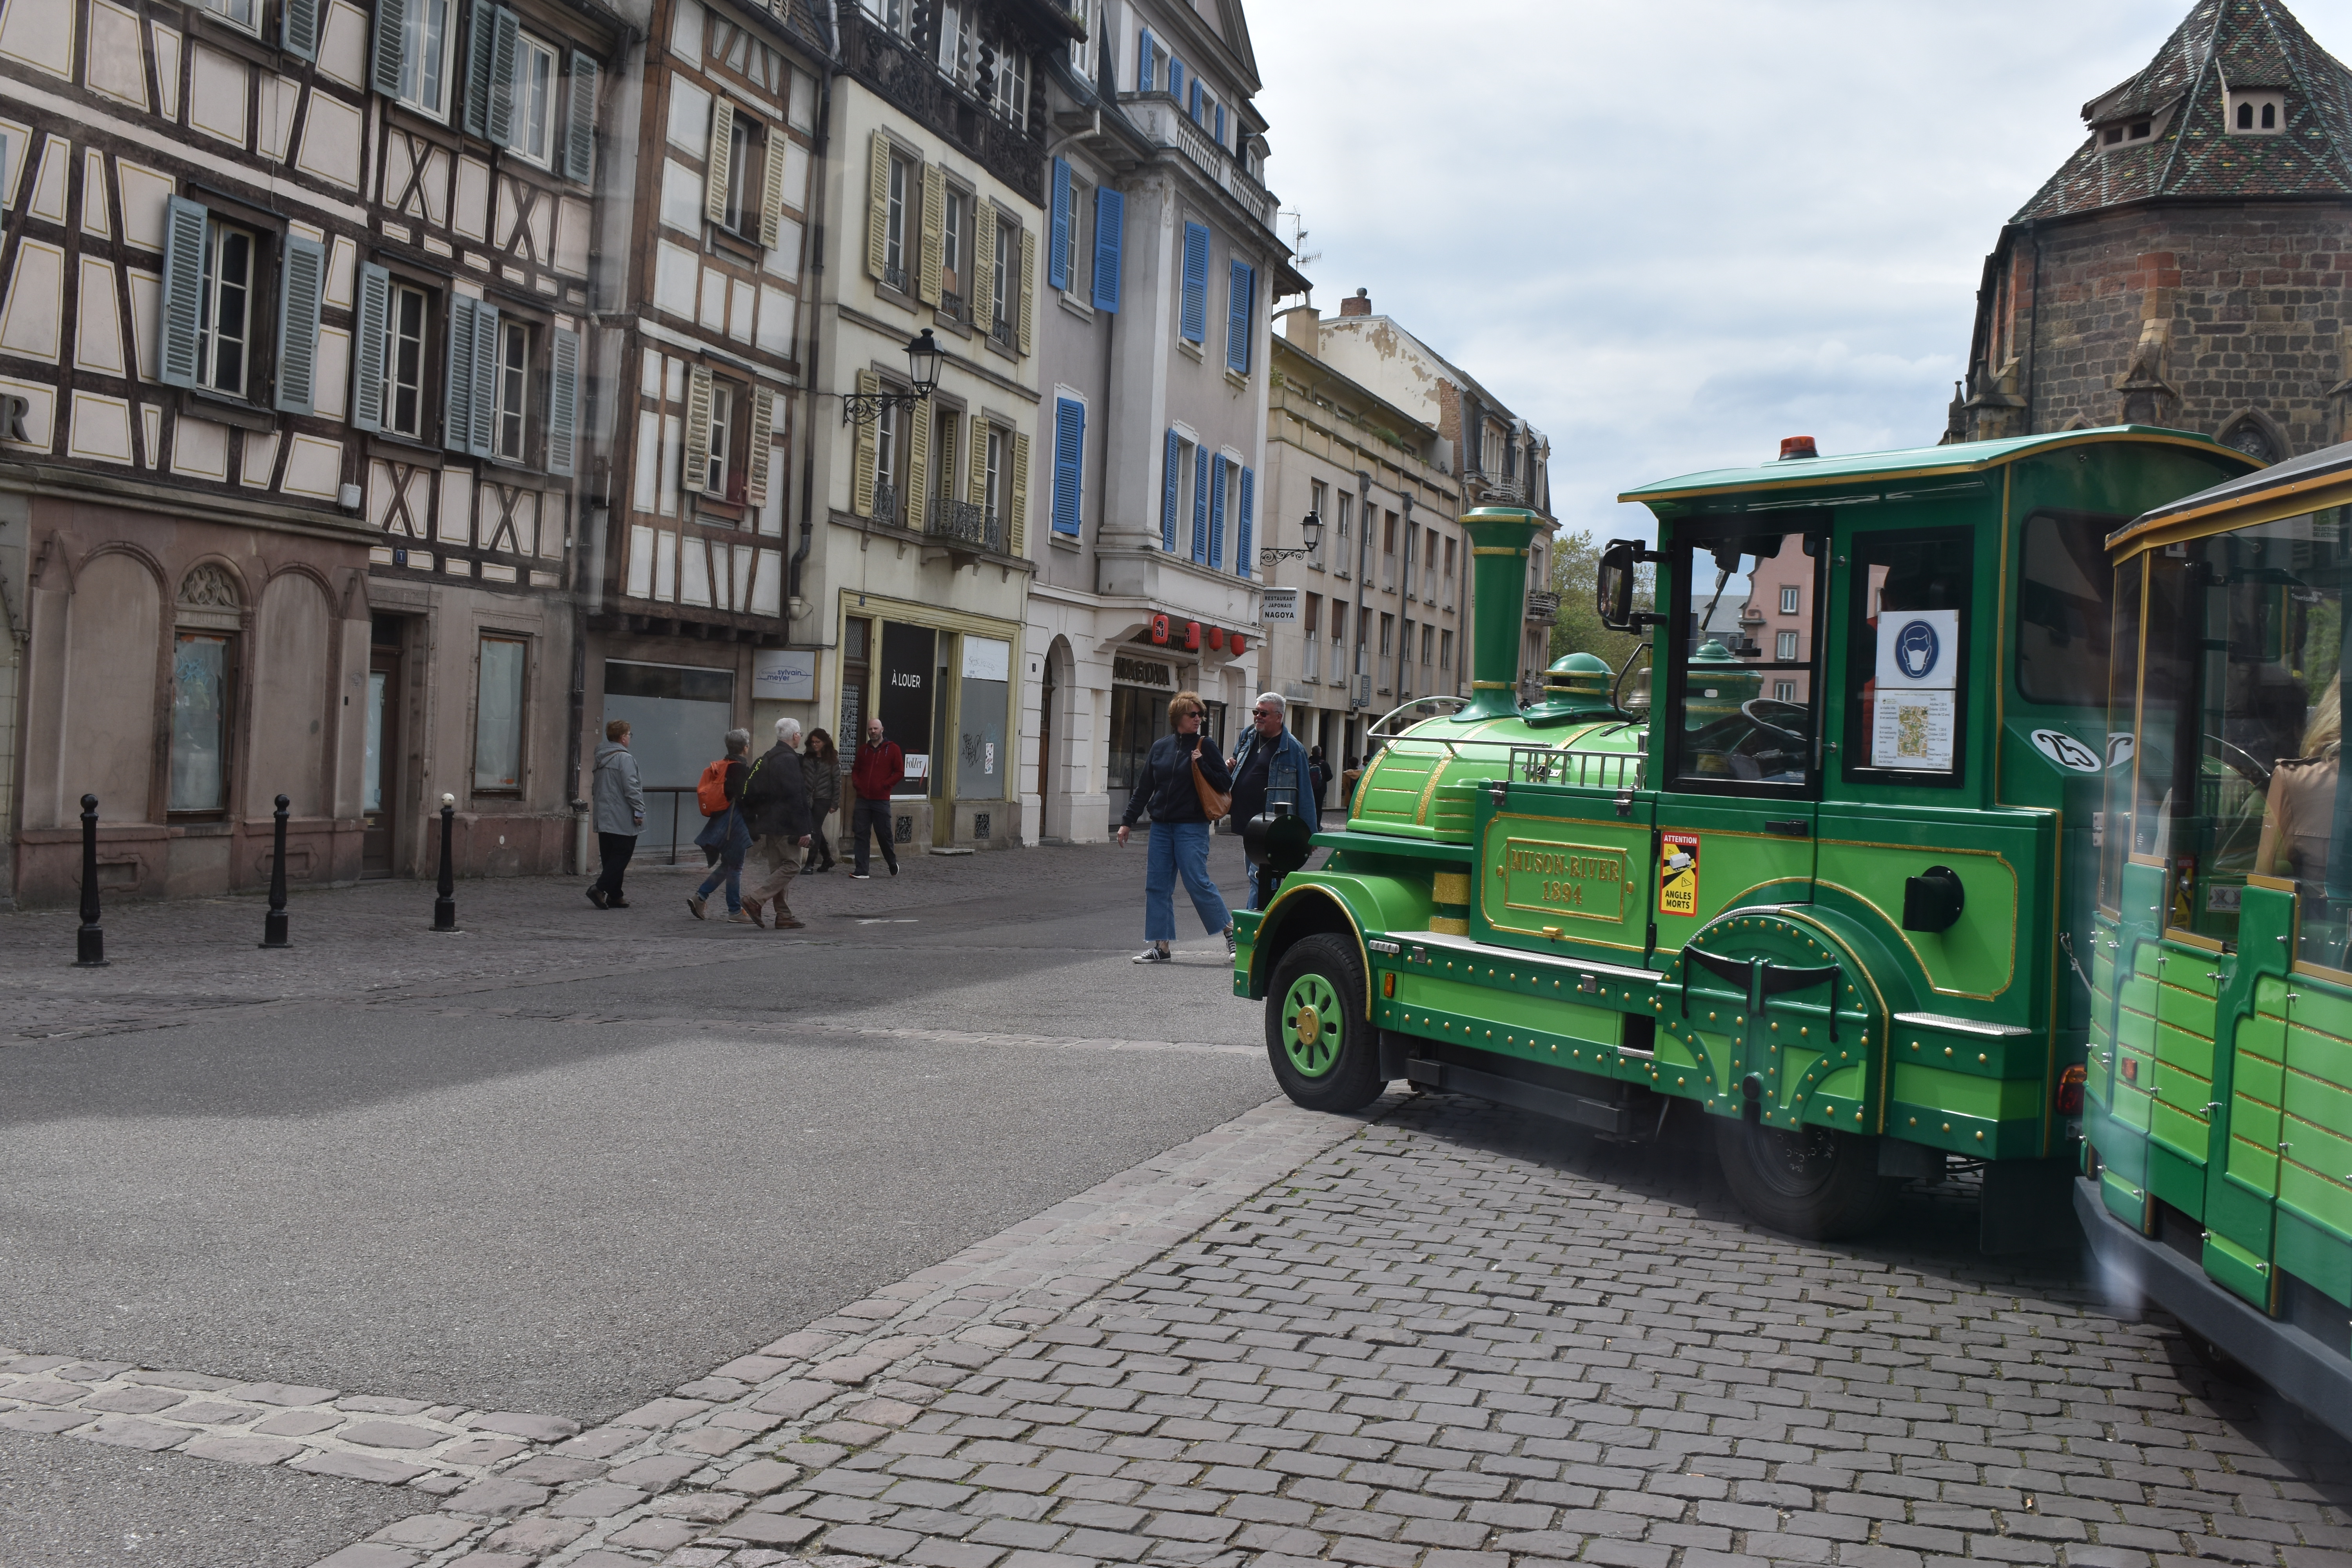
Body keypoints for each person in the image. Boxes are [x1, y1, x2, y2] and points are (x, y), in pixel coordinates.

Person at [1117, 690, 1235, 964]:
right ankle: (1161, 947)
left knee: (1197, 882)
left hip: (1191, 827)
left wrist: (1201, 763)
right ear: (1177, 717)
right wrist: (1127, 822)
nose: (1198, 719)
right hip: (1161, 827)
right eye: (1193, 714)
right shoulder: (1161, 748)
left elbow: (1224, 783)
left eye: (1201, 714)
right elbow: (1145, 788)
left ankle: (1230, 932)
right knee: (1157, 886)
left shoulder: (1207, 746)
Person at [1227, 692, 1320, 911]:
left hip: (1272, 826)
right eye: (1256, 712)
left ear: (1279, 717)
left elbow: (1305, 794)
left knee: (1260, 878)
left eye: (1264, 713)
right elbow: (1238, 764)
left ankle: (1254, 931)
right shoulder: (1248, 735)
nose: (1258, 717)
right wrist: (1230, 766)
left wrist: (1311, 833)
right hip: (1248, 824)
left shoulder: (1293, 749)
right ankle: (1267, 925)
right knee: (1257, 878)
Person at [740, 717, 814, 930]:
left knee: (778, 871)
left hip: (769, 823)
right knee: (792, 866)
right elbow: (796, 797)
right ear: (795, 736)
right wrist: (805, 829)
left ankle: (784, 915)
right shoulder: (789, 760)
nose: (800, 736)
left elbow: (751, 791)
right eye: (800, 733)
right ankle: (755, 899)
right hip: (786, 825)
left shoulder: (767, 757)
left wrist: (757, 818)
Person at [688, 728, 755, 924]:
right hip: (735, 822)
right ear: (745, 748)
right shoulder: (740, 769)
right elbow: (744, 799)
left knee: (729, 865)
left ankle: (700, 897)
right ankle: (734, 911)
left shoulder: (724, 766)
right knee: (736, 866)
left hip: (723, 820)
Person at [587, 719, 644, 909]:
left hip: (604, 814)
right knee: (623, 854)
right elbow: (632, 788)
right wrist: (639, 810)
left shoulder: (601, 757)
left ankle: (615, 895)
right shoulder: (625, 759)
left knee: (610, 855)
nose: (630, 738)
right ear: (622, 738)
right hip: (621, 815)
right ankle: (599, 889)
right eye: (629, 735)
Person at [850, 716, 904, 880]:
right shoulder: (863, 750)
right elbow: (856, 770)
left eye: (875, 729)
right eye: (870, 729)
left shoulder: (893, 749)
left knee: (884, 834)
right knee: (861, 834)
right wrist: (858, 785)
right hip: (863, 800)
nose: (873, 732)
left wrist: (885, 785)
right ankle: (862, 870)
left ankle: (891, 862)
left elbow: (900, 772)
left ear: (882, 730)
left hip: (881, 800)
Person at [803, 728, 841, 873]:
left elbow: (837, 782)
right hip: (808, 797)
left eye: (818, 742)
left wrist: (835, 803)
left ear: (825, 742)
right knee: (816, 829)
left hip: (824, 798)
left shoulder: (832, 759)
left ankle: (810, 863)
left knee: (814, 828)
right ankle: (827, 859)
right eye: (813, 742)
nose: (815, 745)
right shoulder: (807, 758)